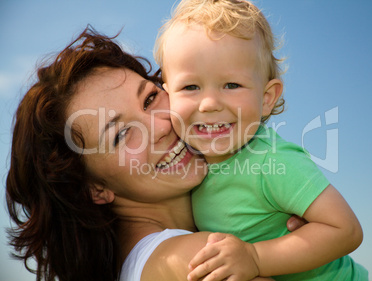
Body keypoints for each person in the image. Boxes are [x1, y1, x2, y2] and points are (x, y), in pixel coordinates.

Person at [6, 27, 306, 281]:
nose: (160, 126)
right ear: (95, 188)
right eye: (121, 134)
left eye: (150, 99)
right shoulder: (199, 260)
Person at [154, 0, 369, 280]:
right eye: (190, 87)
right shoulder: (188, 164)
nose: (208, 103)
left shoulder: (271, 160)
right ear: (168, 95)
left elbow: (346, 230)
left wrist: (255, 258)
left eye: (231, 85)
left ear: (266, 98)